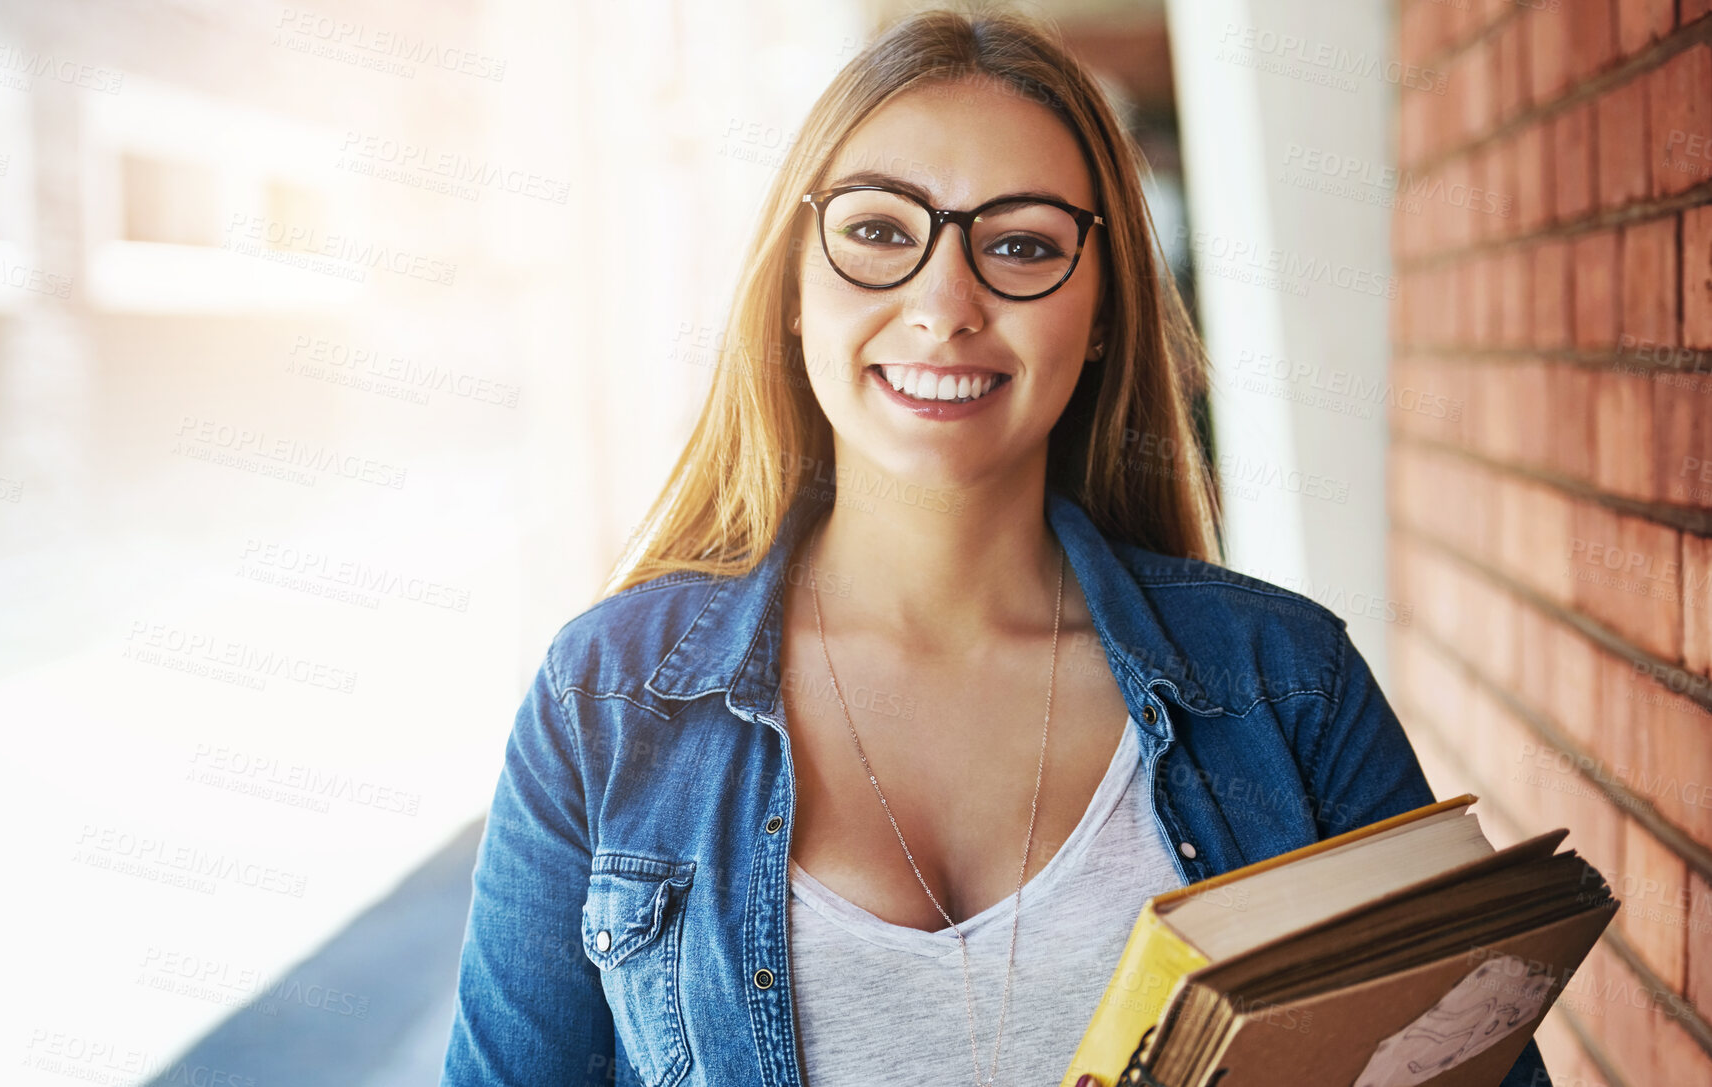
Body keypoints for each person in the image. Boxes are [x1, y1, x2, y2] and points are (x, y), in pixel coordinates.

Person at [440, 8, 1550, 1087]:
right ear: (791, 287)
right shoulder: (604, 700)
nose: (944, 302)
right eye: (878, 231)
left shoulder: (1287, 687)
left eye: (1020, 245)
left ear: (1103, 310)